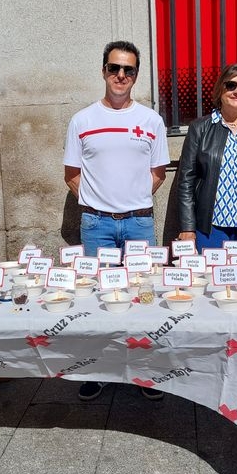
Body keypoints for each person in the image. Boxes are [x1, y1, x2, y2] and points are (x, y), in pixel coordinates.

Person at [63, 40, 170, 402]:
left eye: (129, 70)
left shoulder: (151, 120)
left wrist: (132, 201)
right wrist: (99, 204)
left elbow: (158, 173)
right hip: (97, 226)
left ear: (136, 75)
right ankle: (100, 370)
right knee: (100, 299)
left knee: (143, 297)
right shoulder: (82, 120)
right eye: (114, 68)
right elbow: (71, 174)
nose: (121, 75)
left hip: (139, 224)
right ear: (103, 70)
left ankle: (145, 371)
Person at [177, 63, 237, 252]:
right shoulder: (200, 128)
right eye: (231, 85)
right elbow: (186, 181)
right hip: (211, 228)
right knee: (211, 280)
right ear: (220, 89)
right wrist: (187, 227)